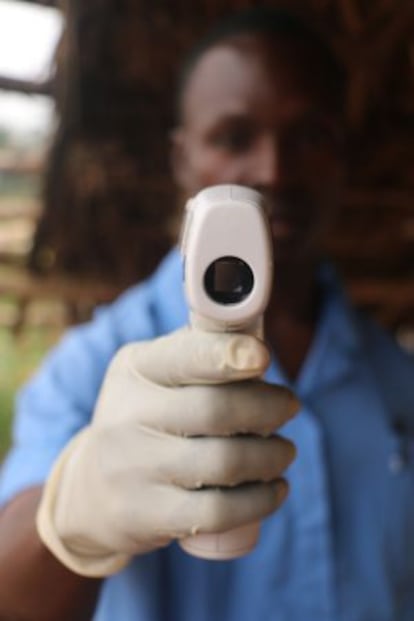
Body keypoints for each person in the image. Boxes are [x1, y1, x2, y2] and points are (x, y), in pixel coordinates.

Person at [0, 7, 413, 621]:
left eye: (309, 137)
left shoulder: (397, 379)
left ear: (342, 156)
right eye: (234, 137)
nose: (274, 170)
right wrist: (71, 520)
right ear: (182, 160)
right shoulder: (91, 367)